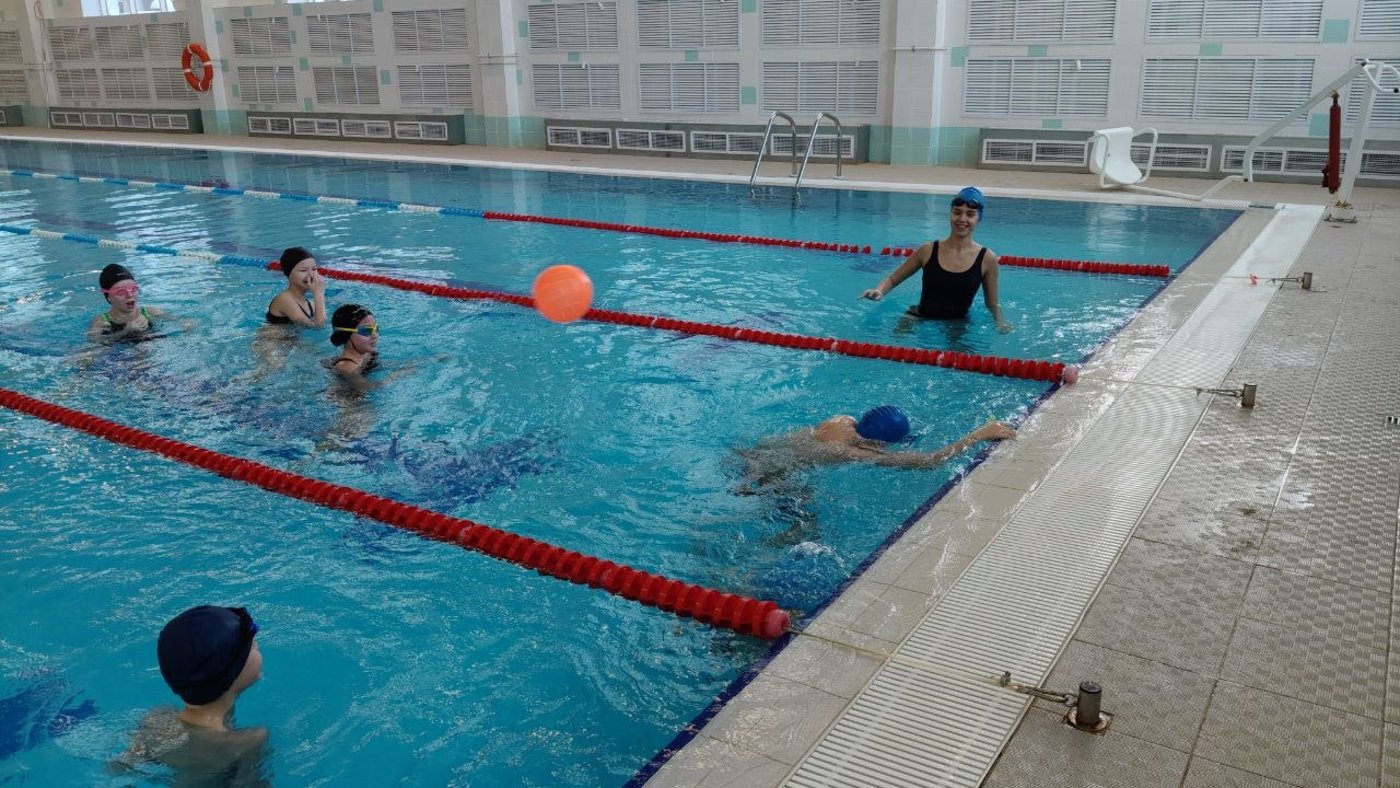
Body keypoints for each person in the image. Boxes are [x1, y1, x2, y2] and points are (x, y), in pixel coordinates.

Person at [112, 606, 269, 785]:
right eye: (252, 647)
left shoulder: (156, 720)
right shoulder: (247, 743)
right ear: (234, 673)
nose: (257, 645)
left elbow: (120, 767)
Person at [739, 410, 1015, 491]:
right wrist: (978, 435)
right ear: (881, 443)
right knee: (806, 528)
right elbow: (929, 461)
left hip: (753, 452)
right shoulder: (845, 452)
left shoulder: (840, 421)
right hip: (773, 473)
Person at [860, 186, 1013, 332]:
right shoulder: (927, 251)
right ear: (950, 214)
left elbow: (992, 304)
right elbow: (892, 279)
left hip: (957, 323)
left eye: (970, 214)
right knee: (896, 343)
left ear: (979, 218)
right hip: (918, 316)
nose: (962, 219)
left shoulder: (987, 259)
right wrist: (879, 290)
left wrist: (1000, 322)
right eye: (957, 212)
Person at [88, 264, 163, 342]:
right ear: (108, 296)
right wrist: (125, 332)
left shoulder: (151, 312)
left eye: (133, 288)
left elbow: (172, 325)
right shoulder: (102, 322)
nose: (130, 295)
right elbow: (95, 343)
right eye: (121, 292)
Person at [265, 247, 327, 327]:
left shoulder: (312, 305)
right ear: (289, 274)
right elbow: (318, 326)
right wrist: (319, 294)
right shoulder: (284, 300)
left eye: (314, 269)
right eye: (303, 270)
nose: (311, 275)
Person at [326, 303, 379, 382]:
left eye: (376, 328)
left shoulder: (367, 353)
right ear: (346, 335)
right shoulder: (347, 368)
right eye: (367, 330)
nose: (375, 335)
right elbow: (370, 388)